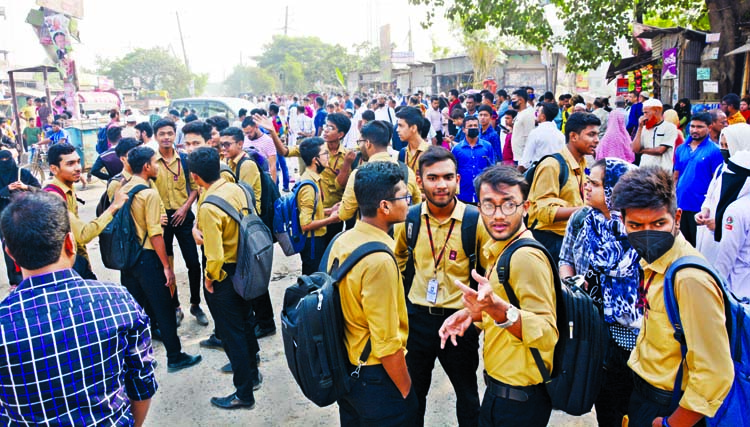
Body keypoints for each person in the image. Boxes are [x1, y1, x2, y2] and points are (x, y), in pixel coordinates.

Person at [0, 192, 157, 426]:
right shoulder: (117, 301)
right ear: (70, 243)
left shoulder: (4, 322)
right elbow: (142, 382)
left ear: (10, 253)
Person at [610, 166, 734, 427]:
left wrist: (672, 424)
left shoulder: (689, 279)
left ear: (677, 218)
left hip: (670, 405)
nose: (647, 233)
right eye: (636, 225)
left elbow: (714, 371)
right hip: (645, 393)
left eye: (658, 224)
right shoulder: (654, 262)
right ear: (623, 222)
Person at [439, 165, 558, 427]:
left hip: (519, 402)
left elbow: (547, 332)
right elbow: (506, 305)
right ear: (479, 208)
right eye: (489, 205)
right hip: (502, 393)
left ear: (525, 207)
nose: (498, 215)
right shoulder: (501, 249)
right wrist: (474, 314)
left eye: (508, 204)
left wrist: (498, 311)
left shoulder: (525, 257)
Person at [394, 147, 489, 427]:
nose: (441, 185)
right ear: (420, 181)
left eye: (448, 177)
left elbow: (490, 273)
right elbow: (397, 260)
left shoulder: (475, 220)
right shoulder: (408, 220)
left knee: (468, 397)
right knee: (413, 396)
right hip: (418, 322)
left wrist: (476, 318)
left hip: (460, 323)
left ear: (458, 179)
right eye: (432, 178)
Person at [330, 161, 417, 426]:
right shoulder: (379, 260)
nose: (409, 203)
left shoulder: (344, 241)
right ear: (385, 206)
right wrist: (405, 389)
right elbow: (387, 342)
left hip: (348, 368)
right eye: (405, 196)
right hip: (376, 376)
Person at [558, 158, 641, 426]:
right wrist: (572, 289)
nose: (586, 187)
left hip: (630, 336)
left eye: (595, 183)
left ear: (615, 189)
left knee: (630, 403)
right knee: (603, 402)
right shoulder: (581, 219)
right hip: (590, 328)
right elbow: (565, 259)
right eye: (588, 181)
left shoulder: (638, 226)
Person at [189, 147, 262, 409]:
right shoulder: (237, 188)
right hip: (246, 268)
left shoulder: (209, 206)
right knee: (245, 324)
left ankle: (243, 393)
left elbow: (215, 257)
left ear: (195, 176)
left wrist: (209, 279)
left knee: (233, 336)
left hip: (225, 276)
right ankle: (253, 375)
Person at [119, 146, 202, 371]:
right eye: (154, 163)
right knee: (164, 308)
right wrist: (166, 266)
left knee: (137, 308)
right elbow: (155, 234)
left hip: (128, 258)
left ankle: (134, 358)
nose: (157, 166)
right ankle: (175, 357)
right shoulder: (149, 193)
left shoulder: (122, 188)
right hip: (147, 257)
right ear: (146, 166)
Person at [151, 119, 207, 327]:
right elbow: (146, 190)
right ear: (155, 136)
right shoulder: (150, 162)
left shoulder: (185, 160)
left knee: (194, 263)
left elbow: (195, 187)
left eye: (169, 133)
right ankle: (175, 306)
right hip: (162, 220)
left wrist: (185, 208)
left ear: (175, 136)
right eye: (162, 134)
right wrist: (157, 214)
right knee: (167, 266)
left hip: (184, 217)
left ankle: (195, 304)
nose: (166, 137)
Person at [265, 112, 354, 243]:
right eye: (326, 126)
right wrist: (273, 132)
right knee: (313, 250)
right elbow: (284, 151)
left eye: (331, 128)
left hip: (333, 212)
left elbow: (340, 185)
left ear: (341, 134)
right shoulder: (314, 147)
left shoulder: (347, 156)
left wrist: (346, 164)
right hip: (313, 211)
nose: (325, 130)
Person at [46, 143, 126, 280]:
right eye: (70, 164)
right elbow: (83, 234)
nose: (78, 168)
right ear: (54, 169)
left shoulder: (68, 189)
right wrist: (114, 206)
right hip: (60, 266)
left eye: (78, 162)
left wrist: (85, 260)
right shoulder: (54, 197)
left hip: (74, 259)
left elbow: (75, 236)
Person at [528, 112, 600, 264]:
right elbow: (543, 211)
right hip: (550, 241)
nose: (596, 140)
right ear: (573, 136)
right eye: (591, 135)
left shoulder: (581, 164)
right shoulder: (552, 165)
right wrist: (584, 212)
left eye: (597, 135)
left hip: (570, 239)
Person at [338, 120, 421, 222]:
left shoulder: (359, 174)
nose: (359, 147)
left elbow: (344, 214)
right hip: (400, 234)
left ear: (368, 143)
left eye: (360, 142)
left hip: (370, 234)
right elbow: (417, 205)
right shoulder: (407, 171)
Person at [695, 124, 750, 263]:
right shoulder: (722, 168)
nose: (724, 149)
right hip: (709, 233)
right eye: (722, 144)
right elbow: (711, 194)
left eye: (728, 145)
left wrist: (720, 224)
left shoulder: (743, 175)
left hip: (729, 234)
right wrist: (705, 211)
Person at [673, 112, 724, 247]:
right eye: (692, 126)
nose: (695, 130)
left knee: (698, 248)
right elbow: (676, 176)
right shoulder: (681, 149)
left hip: (700, 209)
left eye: (700, 127)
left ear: (710, 127)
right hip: (681, 205)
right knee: (681, 246)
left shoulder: (715, 151)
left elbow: (716, 181)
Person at [0, 150, 40, 287]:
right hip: (4, 218)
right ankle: (15, 282)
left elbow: (39, 189)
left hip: (25, 215)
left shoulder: (23, 173)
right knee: (9, 249)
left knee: (27, 245)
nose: (5, 162)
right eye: (2, 159)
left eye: (7, 158)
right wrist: (6, 189)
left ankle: (31, 276)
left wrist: (25, 187)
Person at [451, 115, 495, 204]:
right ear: (463, 129)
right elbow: (453, 171)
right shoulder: (457, 149)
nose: (473, 128)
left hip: (483, 193)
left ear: (479, 128)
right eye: (470, 126)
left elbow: (492, 170)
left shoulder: (487, 147)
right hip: (463, 194)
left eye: (475, 126)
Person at [631, 98, 677, 171]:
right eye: (643, 113)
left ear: (656, 111)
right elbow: (635, 149)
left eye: (646, 113)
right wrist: (639, 128)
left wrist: (642, 151)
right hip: (644, 171)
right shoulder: (644, 128)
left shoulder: (670, 127)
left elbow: (660, 150)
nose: (644, 116)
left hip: (662, 172)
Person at [519, 102, 564, 172]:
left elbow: (526, 161)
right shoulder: (560, 135)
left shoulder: (536, 133)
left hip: (539, 171)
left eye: (537, 112)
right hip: (556, 172)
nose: (536, 114)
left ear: (543, 116)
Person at [242, 116, 278, 183]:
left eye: (250, 132)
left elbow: (272, 166)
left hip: (263, 179)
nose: (248, 135)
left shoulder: (268, 141)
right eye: (246, 133)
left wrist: (273, 186)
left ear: (256, 126)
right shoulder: (244, 140)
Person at [398, 107, 431, 175]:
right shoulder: (403, 153)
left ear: (413, 128)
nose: (397, 130)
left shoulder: (430, 153)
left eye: (401, 126)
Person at [510, 89, 535, 165]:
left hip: (523, 158)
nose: (512, 102)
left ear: (520, 100)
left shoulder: (528, 114)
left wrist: (525, 159)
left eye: (514, 99)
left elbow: (529, 136)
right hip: (517, 155)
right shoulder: (520, 113)